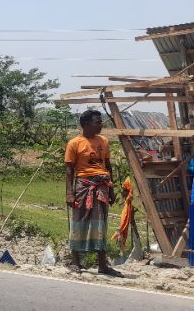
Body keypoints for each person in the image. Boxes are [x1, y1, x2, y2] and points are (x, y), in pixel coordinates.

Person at [64, 110, 121, 276]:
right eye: (97, 122)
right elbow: (69, 170)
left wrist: (111, 189)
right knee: (79, 221)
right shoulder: (74, 143)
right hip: (83, 186)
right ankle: (75, 261)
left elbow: (107, 166)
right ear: (86, 124)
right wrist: (69, 193)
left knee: (100, 223)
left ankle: (102, 265)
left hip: (102, 185)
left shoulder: (104, 141)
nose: (101, 124)